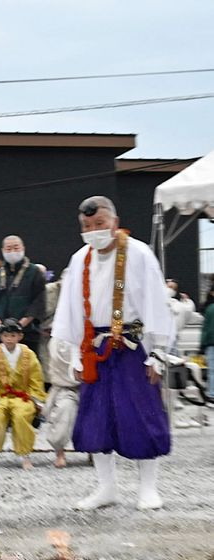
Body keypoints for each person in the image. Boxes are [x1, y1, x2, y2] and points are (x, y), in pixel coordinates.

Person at [52, 196, 172, 510]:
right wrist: (77, 355)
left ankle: (148, 488)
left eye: (100, 224)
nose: (94, 231)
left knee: (141, 415)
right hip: (95, 346)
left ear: (114, 223)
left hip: (133, 346)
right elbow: (72, 308)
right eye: (87, 227)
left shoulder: (139, 253)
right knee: (96, 418)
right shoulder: (80, 259)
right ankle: (107, 488)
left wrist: (158, 353)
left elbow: (157, 303)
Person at [0, 319, 45, 469]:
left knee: (22, 414)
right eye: (6, 335)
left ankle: (25, 454)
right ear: (1, 337)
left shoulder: (29, 355)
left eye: (13, 335)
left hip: (22, 396)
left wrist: (35, 398)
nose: (9, 339)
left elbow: (36, 379)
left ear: (20, 337)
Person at [0, 235, 45, 354]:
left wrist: (20, 325)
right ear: (2, 251)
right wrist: (0, 325)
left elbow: (38, 302)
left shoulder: (34, 272)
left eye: (16, 248)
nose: (12, 251)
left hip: (27, 334)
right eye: (8, 249)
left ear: (23, 248)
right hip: (0, 335)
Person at [43, 335, 81, 468]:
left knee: (99, 410)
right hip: (65, 387)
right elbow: (62, 368)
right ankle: (60, 452)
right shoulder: (57, 342)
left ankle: (97, 452)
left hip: (92, 386)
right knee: (65, 408)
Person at [201, 291, 214, 401]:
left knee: (212, 370)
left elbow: (206, 330)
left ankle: (212, 393)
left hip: (211, 344)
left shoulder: (209, 309)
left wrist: (202, 345)